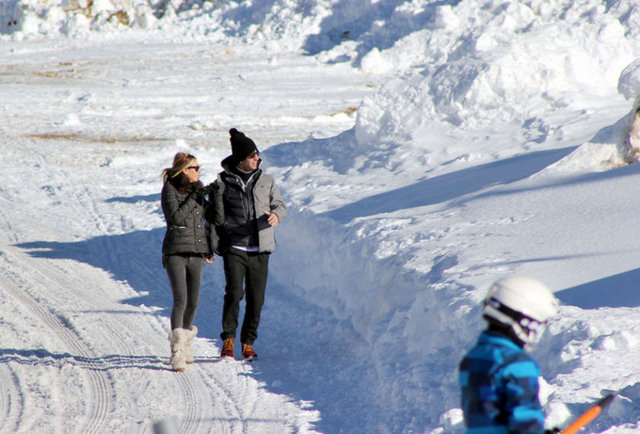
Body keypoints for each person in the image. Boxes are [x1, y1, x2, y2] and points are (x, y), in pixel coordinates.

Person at [208, 128, 286, 361]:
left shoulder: (267, 180)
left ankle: (248, 343)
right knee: (234, 293)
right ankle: (228, 340)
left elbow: (280, 205)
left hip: (260, 248)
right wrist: (210, 245)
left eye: (257, 154)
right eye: (252, 155)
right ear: (241, 158)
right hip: (235, 247)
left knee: (256, 299)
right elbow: (212, 218)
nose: (257, 158)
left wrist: (276, 215)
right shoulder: (222, 183)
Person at [458, 275, 559, 433]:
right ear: (524, 321)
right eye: (538, 324)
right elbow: (524, 419)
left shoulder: (474, 356)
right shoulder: (516, 363)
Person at [161, 152, 214, 372]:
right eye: (195, 168)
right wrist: (194, 197)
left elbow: (208, 219)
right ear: (184, 170)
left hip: (197, 251)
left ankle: (185, 343)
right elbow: (175, 217)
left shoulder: (196, 191)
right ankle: (177, 351)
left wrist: (216, 196)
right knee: (180, 299)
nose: (198, 171)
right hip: (175, 251)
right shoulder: (170, 189)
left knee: (194, 302)